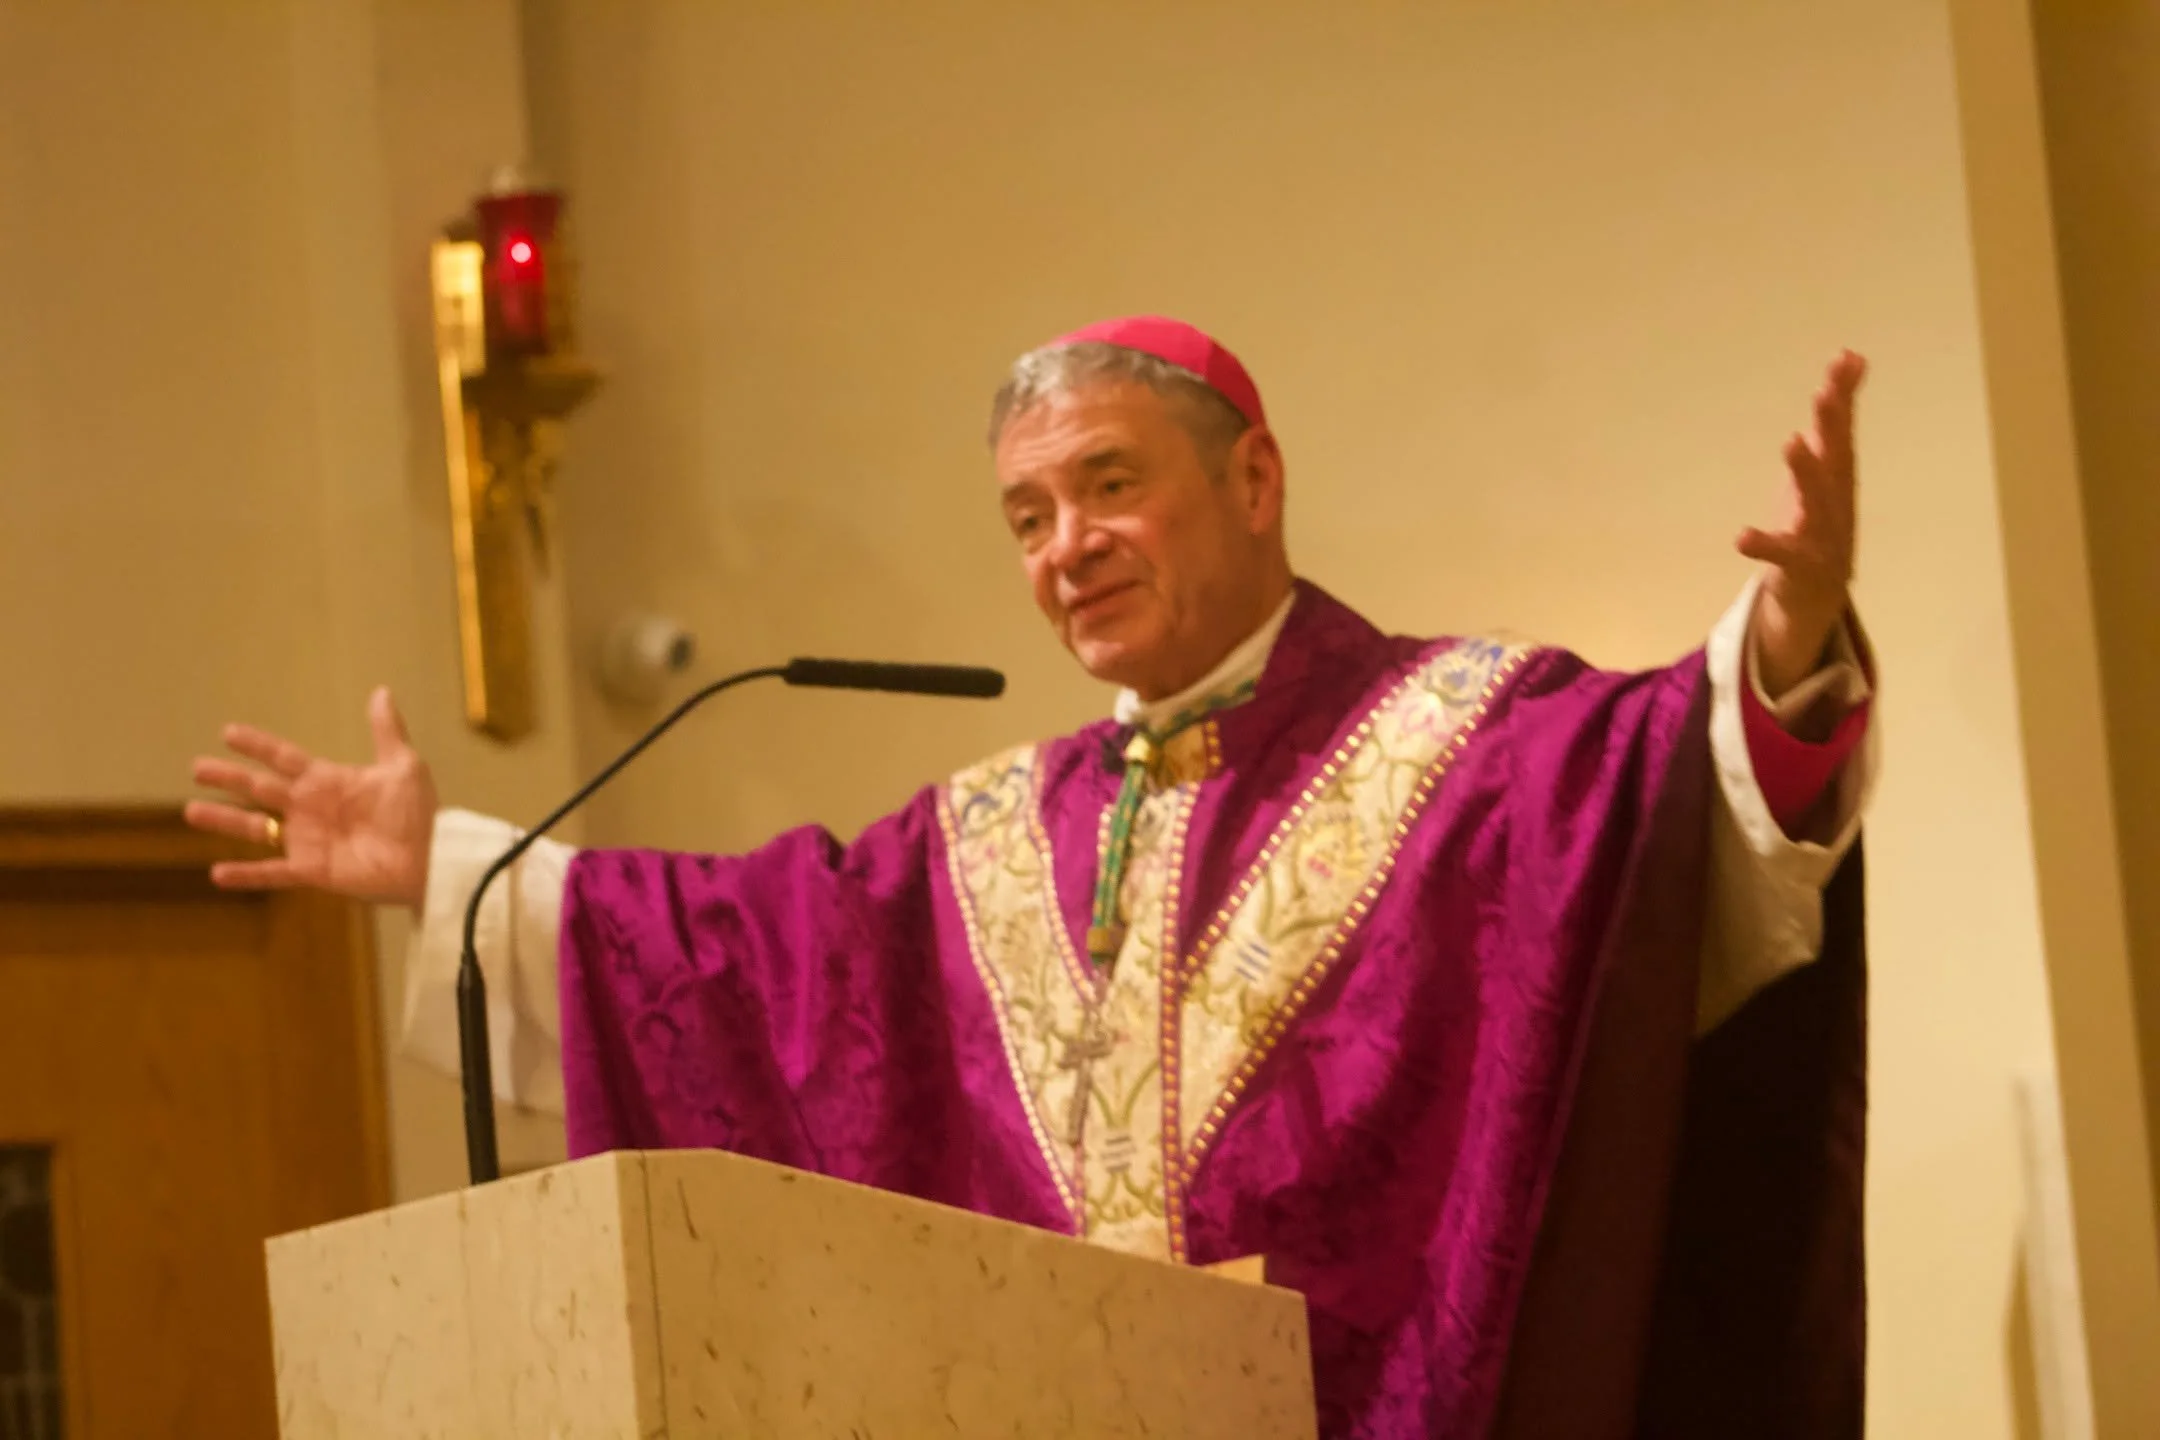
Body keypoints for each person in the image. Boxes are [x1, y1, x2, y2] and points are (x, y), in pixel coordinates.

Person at [187, 316, 1876, 1438]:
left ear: (1255, 479)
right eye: (1025, 517)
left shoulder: (1475, 746)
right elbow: (728, 965)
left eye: (1108, 486)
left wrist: (1786, 653)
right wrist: (448, 875)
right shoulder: (986, 843)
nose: (1066, 548)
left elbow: (1665, 788)